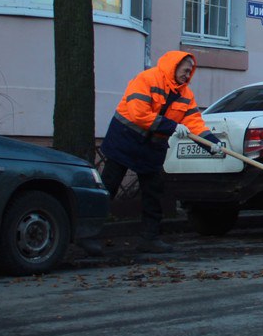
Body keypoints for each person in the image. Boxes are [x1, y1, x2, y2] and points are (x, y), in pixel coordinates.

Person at [90, 51, 222, 254]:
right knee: (109, 187)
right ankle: (88, 236)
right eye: (185, 70)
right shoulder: (146, 79)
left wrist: (211, 142)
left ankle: (149, 238)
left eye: (190, 72)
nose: (188, 75)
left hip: (151, 147)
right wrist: (171, 126)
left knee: (153, 193)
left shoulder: (185, 94)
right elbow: (138, 113)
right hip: (125, 140)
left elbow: (194, 122)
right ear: (174, 66)